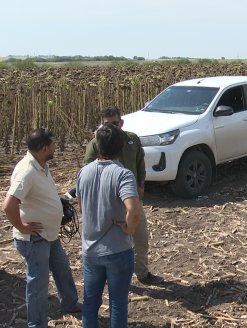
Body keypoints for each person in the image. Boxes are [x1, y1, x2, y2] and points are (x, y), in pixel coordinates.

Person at [2, 128, 81, 328]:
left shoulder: (41, 165)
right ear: (45, 148)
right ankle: (36, 324)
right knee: (38, 284)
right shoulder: (27, 171)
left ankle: (70, 304)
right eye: (53, 144)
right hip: (35, 239)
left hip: (49, 235)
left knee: (62, 269)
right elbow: (8, 204)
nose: (56, 147)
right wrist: (22, 226)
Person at [83, 106, 163, 285]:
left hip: (132, 200)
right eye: (107, 124)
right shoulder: (97, 143)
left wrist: (141, 184)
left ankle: (142, 274)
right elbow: (87, 169)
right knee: (111, 244)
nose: (111, 127)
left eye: (115, 123)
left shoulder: (132, 140)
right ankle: (112, 278)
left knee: (140, 237)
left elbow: (140, 163)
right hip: (109, 202)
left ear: (121, 122)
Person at [77, 124, 141, 327]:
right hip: (117, 250)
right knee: (117, 304)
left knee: (90, 303)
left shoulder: (83, 172)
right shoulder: (123, 174)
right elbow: (133, 209)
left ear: (97, 146)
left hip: (90, 251)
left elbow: (81, 205)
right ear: (121, 146)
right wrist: (129, 229)